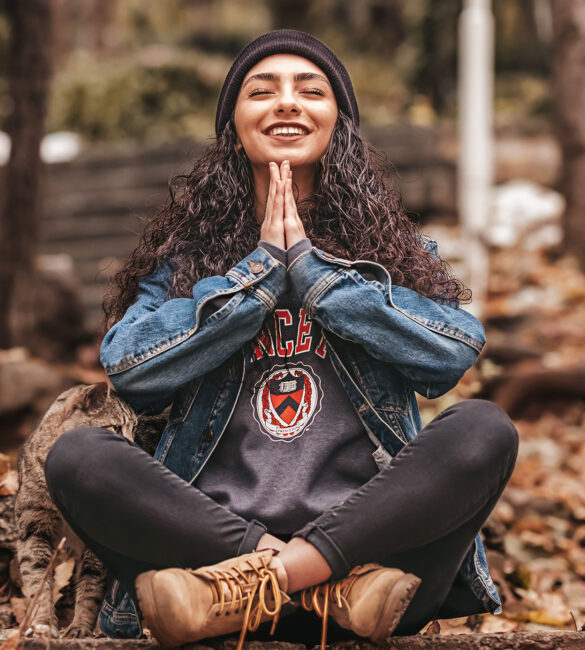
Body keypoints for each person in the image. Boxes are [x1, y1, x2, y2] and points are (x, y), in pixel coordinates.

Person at [44, 29, 519, 648]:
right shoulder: (185, 264)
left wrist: (317, 277)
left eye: (310, 90)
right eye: (262, 91)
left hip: (376, 571)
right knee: (78, 457)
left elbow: (452, 353)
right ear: (235, 126)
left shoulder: (393, 255)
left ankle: (280, 578)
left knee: (485, 430)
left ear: (338, 123)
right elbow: (131, 369)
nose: (287, 103)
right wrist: (260, 274)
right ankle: (300, 582)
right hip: (204, 560)